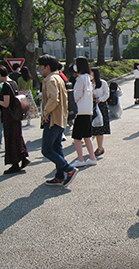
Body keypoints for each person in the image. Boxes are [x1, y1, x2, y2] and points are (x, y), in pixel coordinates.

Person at [39, 54, 78, 186]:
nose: (40, 69)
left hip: (52, 119)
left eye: (42, 67)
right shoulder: (59, 77)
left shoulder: (50, 80)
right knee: (56, 148)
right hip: (60, 117)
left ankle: (68, 169)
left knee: (46, 149)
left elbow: (53, 99)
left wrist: (45, 112)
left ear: (47, 67)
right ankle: (59, 175)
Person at [0, 65, 30, 174]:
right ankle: (23, 157)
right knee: (17, 136)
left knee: (10, 139)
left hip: (9, 116)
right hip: (16, 114)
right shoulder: (13, 82)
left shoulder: (6, 86)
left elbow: (6, 103)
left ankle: (15, 164)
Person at [71, 57, 97, 168]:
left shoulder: (81, 79)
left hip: (80, 111)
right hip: (88, 110)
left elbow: (77, 96)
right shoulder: (88, 78)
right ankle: (92, 157)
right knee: (87, 135)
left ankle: (80, 159)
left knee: (77, 137)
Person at [91, 67, 110, 156]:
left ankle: (100, 147)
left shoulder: (102, 83)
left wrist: (100, 99)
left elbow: (106, 94)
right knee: (92, 127)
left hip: (101, 106)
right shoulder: (89, 84)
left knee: (99, 128)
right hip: (91, 106)